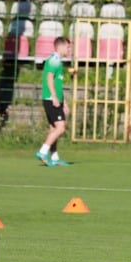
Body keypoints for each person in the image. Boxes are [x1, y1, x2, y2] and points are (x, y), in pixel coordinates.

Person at [35, 36, 72, 167]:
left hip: (54, 99)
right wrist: (54, 97)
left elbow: (57, 83)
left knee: (54, 129)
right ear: (60, 46)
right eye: (67, 47)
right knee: (61, 128)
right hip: (51, 99)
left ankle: (54, 157)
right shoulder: (54, 60)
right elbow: (49, 78)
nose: (69, 49)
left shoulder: (57, 60)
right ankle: (42, 151)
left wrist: (64, 102)